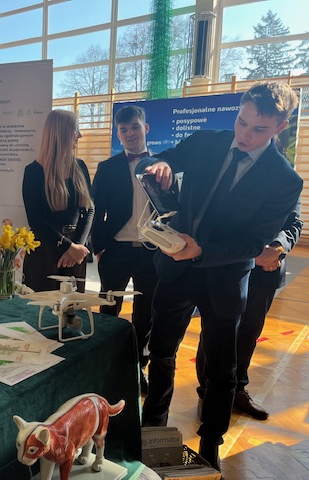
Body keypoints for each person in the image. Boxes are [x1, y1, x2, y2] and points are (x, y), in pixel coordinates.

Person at [136, 81, 303, 471]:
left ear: (280, 127)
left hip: (225, 280)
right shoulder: (206, 141)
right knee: (161, 352)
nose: (244, 134)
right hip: (176, 270)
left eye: (259, 129)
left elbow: (254, 242)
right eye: (242, 122)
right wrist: (158, 165)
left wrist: (203, 251)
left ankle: (211, 443)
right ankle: (153, 428)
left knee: (222, 370)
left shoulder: (285, 180)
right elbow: (155, 161)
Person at [196, 200, 302, 420]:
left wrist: (277, 249)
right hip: (228, 266)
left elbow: (294, 223)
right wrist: (252, 251)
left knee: (249, 332)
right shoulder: (234, 180)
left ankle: (237, 389)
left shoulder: (286, 182)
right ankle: (208, 390)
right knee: (216, 331)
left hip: (267, 271)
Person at [91, 105, 158, 393]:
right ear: (118, 134)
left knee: (146, 314)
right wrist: (99, 248)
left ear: (146, 128)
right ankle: (105, 364)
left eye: (134, 127)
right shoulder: (107, 168)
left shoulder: (162, 165)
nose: (130, 133)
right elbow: (96, 210)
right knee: (109, 309)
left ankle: (137, 366)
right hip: (116, 250)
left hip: (152, 251)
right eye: (123, 129)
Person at [22, 110, 94, 293]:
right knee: (42, 307)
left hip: (76, 250)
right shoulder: (33, 172)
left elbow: (89, 210)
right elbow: (36, 220)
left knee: (73, 306)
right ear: (62, 133)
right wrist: (68, 246)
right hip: (44, 251)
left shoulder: (80, 167)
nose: (80, 135)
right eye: (75, 130)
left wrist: (77, 246)